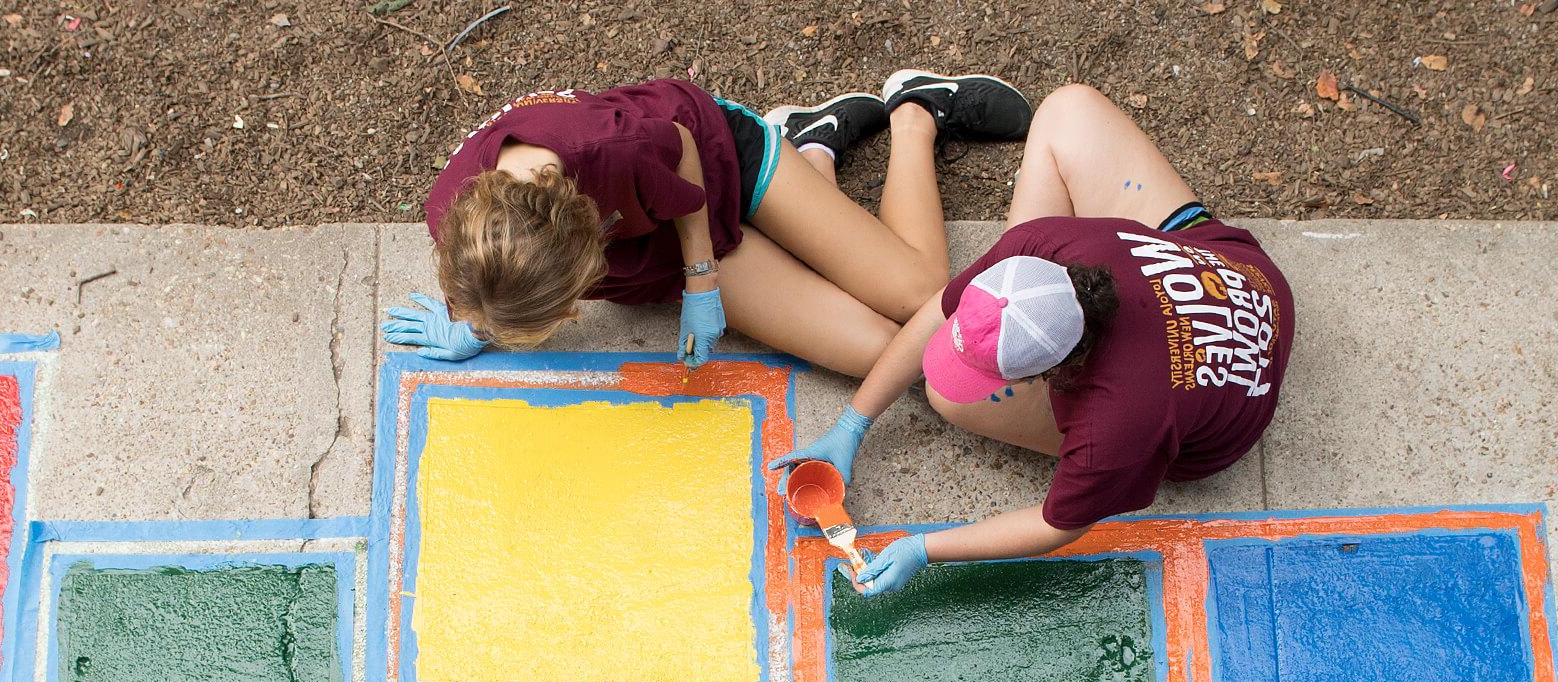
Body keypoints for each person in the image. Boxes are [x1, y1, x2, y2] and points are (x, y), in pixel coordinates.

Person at [768, 83, 1297, 595]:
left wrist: (924, 548)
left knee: (945, 396)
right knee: (1070, 109)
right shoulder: (1038, 250)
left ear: (1054, 373)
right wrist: (852, 423)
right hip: (1239, 270)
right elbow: (941, 311)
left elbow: (1058, 523)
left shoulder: (1118, 423)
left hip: (1223, 424)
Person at [382, 72, 1034, 377]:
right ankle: (816, 146)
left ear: (589, 239)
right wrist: (483, 321)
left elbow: (684, 160)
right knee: (891, 353)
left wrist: (701, 282)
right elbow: (487, 277)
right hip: (649, 235)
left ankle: (914, 112)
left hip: (715, 157)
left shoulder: (612, 154)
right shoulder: (456, 217)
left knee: (923, 293)